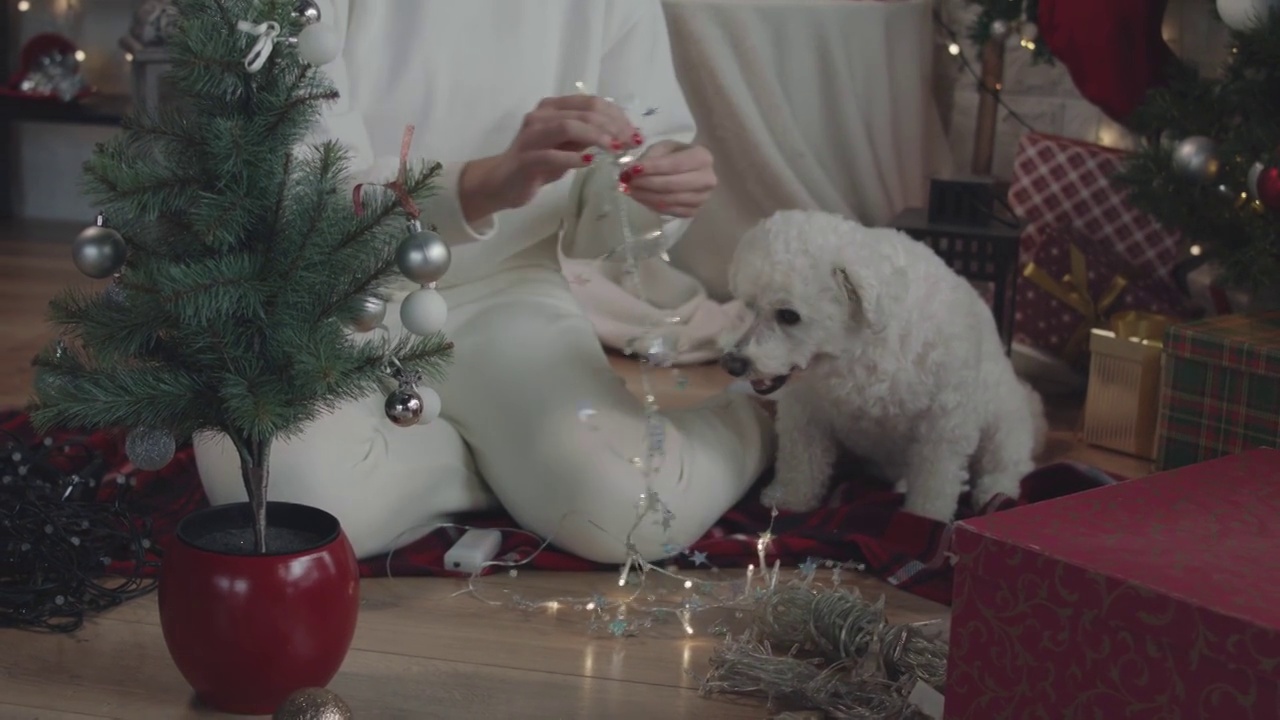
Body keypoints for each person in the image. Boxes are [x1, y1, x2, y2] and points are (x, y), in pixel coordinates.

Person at [194, 0, 774, 563]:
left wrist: (656, 186)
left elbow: (627, 178)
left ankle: (747, 422)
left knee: (632, 516)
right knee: (284, 504)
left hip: (507, 292)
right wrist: (479, 186)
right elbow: (291, 196)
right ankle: (515, 469)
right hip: (311, 299)